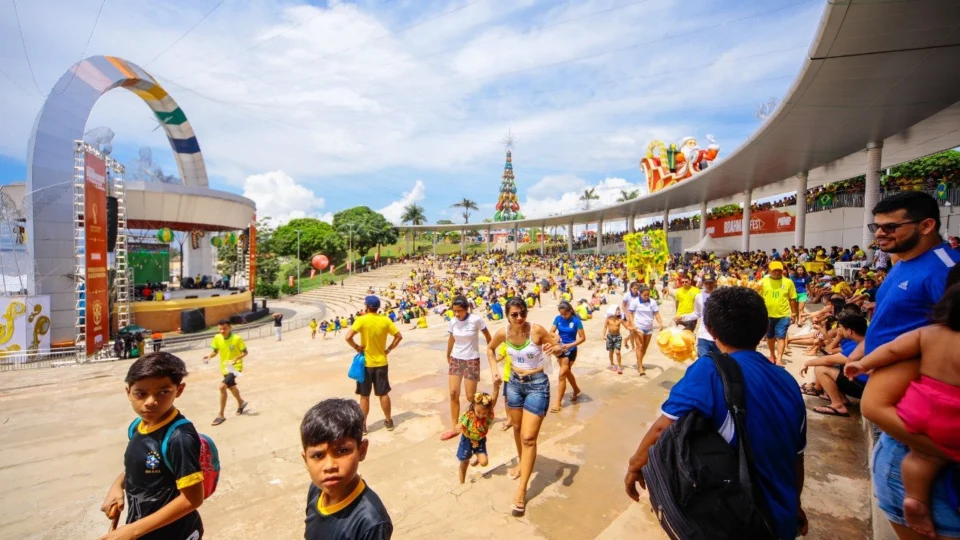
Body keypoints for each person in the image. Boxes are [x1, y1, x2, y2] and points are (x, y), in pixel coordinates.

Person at [623, 287, 808, 540]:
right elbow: (797, 456)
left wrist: (635, 465)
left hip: (740, 521)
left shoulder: (709, 369)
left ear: (710, 330)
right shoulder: (788, 381)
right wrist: (794, 504)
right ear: (766, 327)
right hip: (781, 521)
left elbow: (661, 428)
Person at [850, 191, 960, 539]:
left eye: (890, 227)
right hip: (897, 415)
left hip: (919, 421)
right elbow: (896, 321)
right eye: (876, 227)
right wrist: (864, 349)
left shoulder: (946, 269)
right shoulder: (903, 263)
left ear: (926, 225)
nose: (880, 234)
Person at [100, 353, 204, 539]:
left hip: (176, 533)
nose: (150, 402)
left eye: (163, 392)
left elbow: (192, 499)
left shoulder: (179, 438)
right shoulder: (137, 426)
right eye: (141, 394)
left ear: (179, 390)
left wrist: (132, 531)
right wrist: (117, 486)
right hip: (144, 530)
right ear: (128, 392)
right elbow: (142, 465)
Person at [485, 297, 560, 516]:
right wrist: (494, 370)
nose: (519, 318)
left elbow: (558, 348)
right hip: (514, 385)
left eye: (523, 313)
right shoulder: (503, 333)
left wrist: (554, 348)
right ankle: (521, 462)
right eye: (514, 314)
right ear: (507, 316)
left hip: (537, 386)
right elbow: (490, 349)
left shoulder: (536, 330)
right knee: (517, 429)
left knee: (528, 438)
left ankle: (522, 489)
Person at [301, 398, 392, 540]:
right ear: (306, 459)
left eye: (342, 451)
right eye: (318, 455)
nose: (329, 466)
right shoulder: (316, 490)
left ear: (362, 451)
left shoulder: (370, 522)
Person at [441, 296, 495, 441]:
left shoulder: (476, 320)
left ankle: (483, 414)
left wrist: (491, 351)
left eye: (459, 311)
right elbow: (452, 338)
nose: (457, 314)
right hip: (456, 359)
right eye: (454, 311)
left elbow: (487, 336)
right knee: (453, 393)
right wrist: (448, 354)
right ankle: (454, 426)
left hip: (471, 359)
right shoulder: (452, 322)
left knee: (471, 397)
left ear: (466, 309)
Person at [345, 296, 403, 432]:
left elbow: (348, 337)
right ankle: (388, 421)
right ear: (378, 307)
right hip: (381, 362)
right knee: (383, 394)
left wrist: (357, 347)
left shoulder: (361, 320)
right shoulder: (385, 320)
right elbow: (399, 336)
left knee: (364, 396)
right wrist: (388, 349)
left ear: (366, 307)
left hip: (365, 364)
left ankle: (363, 426)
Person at [797, 314, 867, 417]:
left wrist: (806, 363)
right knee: (833, 365)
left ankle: (837, 405)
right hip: (862, 383)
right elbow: (829, 352)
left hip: (863, 387)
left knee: (820, 369)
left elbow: (828, 360)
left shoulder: (859, 346)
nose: (839, 330)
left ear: (849, 331)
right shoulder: (861, 342)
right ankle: (842, 399)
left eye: (841, 328)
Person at [203, 320, 249, 426]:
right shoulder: (217, 338)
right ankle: (241, 403)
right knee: (231, 387)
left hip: (235, 367)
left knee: (222, 387)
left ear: (230, 327)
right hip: (225, 368)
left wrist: (236, 358)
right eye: (220, 329)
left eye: (224, 328)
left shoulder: (237, 338)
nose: (222, 331)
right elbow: (215, 351)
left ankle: (221, 415)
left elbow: (245, 352)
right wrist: (209, 356)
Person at [457, 389, 500, 484]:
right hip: (467, 440)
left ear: (488, 411)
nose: (481, 415)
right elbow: (463, 428)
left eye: (484, 413)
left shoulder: (488, 417)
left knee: (484, 463)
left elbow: (494, 400)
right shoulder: (468, 416)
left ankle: (477, 454)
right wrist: (459, 426)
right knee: (464, 462)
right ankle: (462, 483)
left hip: (480, 440)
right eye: (478, 412)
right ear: (473, 406)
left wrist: (496, 388)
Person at [550, 301, 585, 413]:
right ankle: (576, 390)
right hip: (560, 349)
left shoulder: (576, 321)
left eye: (565, 314)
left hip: (571, 350)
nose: (563, 316)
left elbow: (582, 338)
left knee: (562, 375)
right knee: (566, 372)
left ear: (570, 311)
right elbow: (551, 331)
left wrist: (570, 345)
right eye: (561, 314)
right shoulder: (557, 319)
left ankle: (558, 402)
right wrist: (555, 336)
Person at [761, 261, 798, 366]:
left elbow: (792, 298)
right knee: (770, 336)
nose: (777, 272)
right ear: (769, 270)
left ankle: (779, 359)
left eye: (779, 270)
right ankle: (772, 355)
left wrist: (794, 313)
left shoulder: (788, 282)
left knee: (781, 336)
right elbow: (757, 297)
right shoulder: (763, 282)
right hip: (767, 315)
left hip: (783, 314)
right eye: (774, 270)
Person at [630, 286, 662, 375]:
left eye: (648, 295)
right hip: (639, 326)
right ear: (640, 294)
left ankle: (639, 361)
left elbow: (656, 313)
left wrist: (660, 323)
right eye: (645, 295)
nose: (647, 296)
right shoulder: (635, 301)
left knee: (645, 347)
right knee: (639, 346)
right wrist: (633, 325)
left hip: (649, 327)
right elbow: (630, 313)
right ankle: (640, 367)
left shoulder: (652, 302)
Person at [690, 271, 720, 358]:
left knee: (719, 363)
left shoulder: (720, 296)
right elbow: (697, 313)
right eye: (706, 283)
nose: (708, 285)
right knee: (703, 362)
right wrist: (683, 317)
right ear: (703, 283)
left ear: (715, 282)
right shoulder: (698, 297)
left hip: (718, 336)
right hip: (703, 336)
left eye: (711, 283)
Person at [603, 305, 624, 374]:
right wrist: (603, 335)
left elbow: (627, 326)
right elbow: (605, 327)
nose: (618, 311)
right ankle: (612, 364)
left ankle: (619, 366)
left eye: (619, 310)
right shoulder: (608, 319)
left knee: (617, 352)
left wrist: (632, 328)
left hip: (618, 336)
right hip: (610, 336)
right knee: (611, 351)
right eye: (617, 310)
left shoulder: (620, 319)